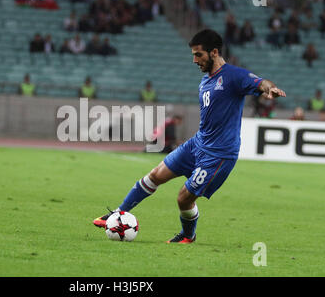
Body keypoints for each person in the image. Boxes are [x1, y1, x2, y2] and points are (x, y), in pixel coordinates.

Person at [92, 29, 287, 244]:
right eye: (193, 55)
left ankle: (188, 235)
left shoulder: (234, 76)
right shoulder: (205, 81)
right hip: (198, 143)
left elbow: (260, 82)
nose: (194, 60)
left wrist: (270, 88)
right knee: (155, 175)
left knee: (184, 198)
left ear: (214, 52)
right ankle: (118, 214)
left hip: (218, 154)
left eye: (199, 55)